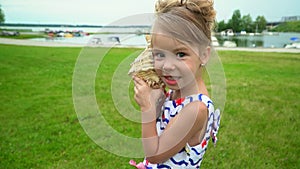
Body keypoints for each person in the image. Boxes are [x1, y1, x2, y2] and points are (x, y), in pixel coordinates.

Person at [130, 0, 221, 168]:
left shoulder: (195, 109)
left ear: (204, 54)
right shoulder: (176, 92)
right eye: (159, 54)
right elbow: (162, 127)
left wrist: (147, 108)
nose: (167, 66)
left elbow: (155, 155)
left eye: (180, 54)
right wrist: (157, 100)